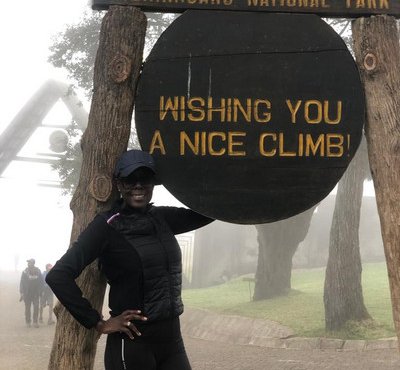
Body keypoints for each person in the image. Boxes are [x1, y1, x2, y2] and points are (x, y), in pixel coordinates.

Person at [46, 149, 213, 370]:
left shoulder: (162, 218)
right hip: (132, 345)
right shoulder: (106, 226)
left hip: (172, 341)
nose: (138, 185)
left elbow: (213, 210)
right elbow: (58, 275)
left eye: (144, 178)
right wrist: (99, 323)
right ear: (119, 184)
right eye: (129, 179)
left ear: (153, 182)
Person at [20, 258, 44, 328]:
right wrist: (21, 292)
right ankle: (28, 322)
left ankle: (35, 322)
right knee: (27, 308)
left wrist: (41, 291)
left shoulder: (38, 271)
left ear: (33, 263)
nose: (28, 263)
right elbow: (22, 282)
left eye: (29, 262)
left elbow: (41, 282)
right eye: (28, 262)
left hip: (36, 293)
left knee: (36, 307)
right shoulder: (25, 271)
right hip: (27, 293)